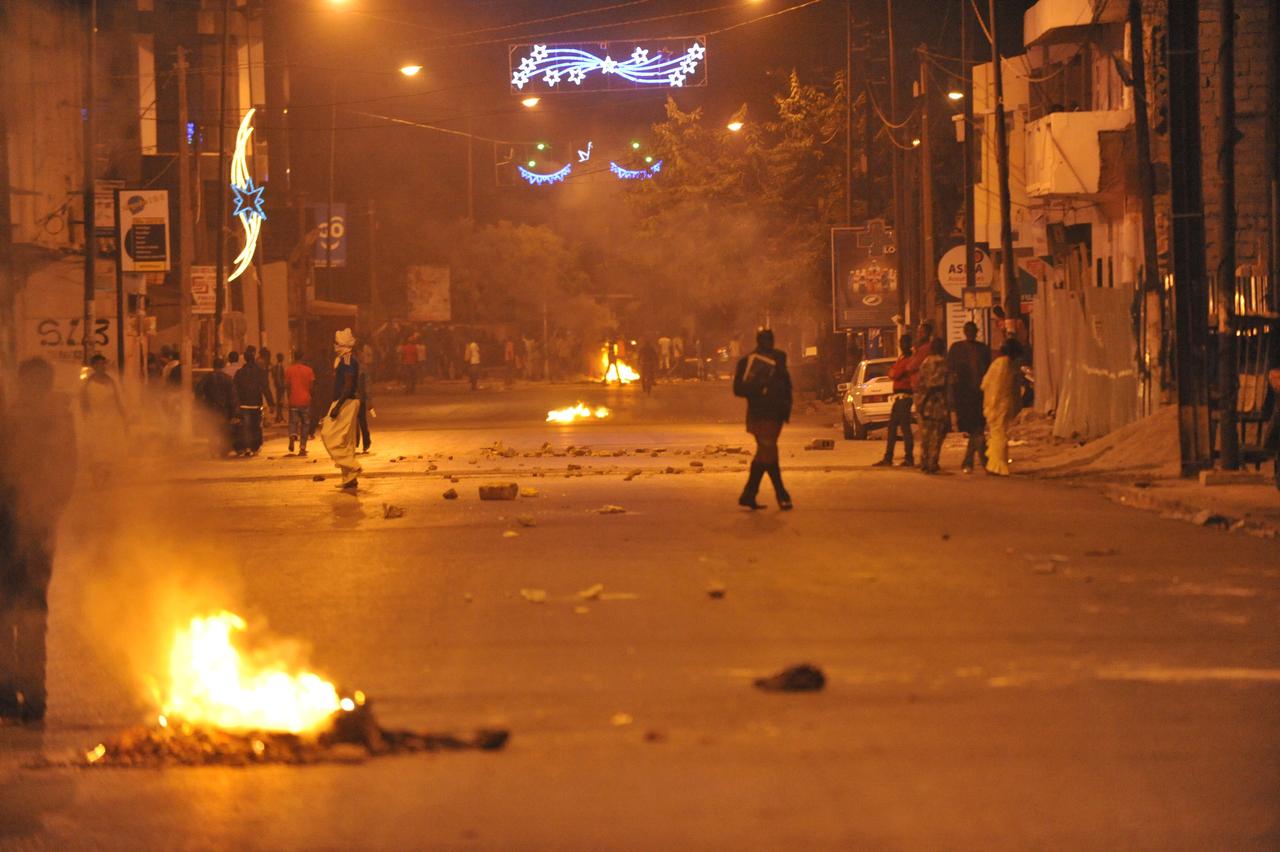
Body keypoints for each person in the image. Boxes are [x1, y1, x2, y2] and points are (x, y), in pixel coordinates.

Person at [0, 358, 77, 724]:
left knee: (10, 613)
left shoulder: (10, 418)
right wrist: (48, 514)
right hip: (36, 531)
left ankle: (9, 695)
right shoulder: (59, 421)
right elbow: (67, 474)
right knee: (31, 613)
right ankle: (32, 697)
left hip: (12, 529)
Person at [733, 329, 793, 510]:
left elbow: (786, 384)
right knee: (768, 451)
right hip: (759, 414)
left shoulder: (780, 358)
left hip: (776, 413)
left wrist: (786, 407)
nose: (768, 344)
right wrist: (759, 386)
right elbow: (738, 389)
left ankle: (749, 494)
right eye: (765, 341)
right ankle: (781, 494)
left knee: (765, 453)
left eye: (770, 341)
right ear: (759, 342)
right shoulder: (747, 362)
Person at [947, 321, 992, 473]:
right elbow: (951, 372)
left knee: (976, 429)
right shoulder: (957, 349)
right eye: (968, 330)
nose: (970, 333)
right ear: (964, 332)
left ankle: (972, 461)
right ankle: (981, 461)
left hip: (979, 394)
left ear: (976, 332)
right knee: (975, 429)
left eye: (972, 330)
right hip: (964, 395)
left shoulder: (983, 349)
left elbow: (988, 371)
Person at [321, 328, 363, 489]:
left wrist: (338, 406)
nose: (334, 346)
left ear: (343, 344)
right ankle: (349, 478)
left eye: (336, 343)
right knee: (346, 441)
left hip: (346, 402)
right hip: (345, 401)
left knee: (328, 435)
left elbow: (348, 384)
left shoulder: (347, 360)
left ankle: (352, 465)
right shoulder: (342, 359)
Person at [79, 353, 127, 484]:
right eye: (98, 364)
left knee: (109, 448)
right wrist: (86, 416)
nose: (102, 366)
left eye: (103, 364)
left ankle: (106, 475)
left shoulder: (112, 380)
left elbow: (119, 399)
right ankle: (96, 476)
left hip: (110, 419)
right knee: (95, 449)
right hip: (94, 419)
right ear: (93, 366)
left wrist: (124, 415)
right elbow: (83, 401)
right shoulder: (87, 382)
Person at [981, 338, 1024, 476]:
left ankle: (997, 465)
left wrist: (991, 405)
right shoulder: (1011, 365)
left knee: (997, 434)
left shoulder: (1000, 363)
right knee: (1000, 434)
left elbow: (993, 385)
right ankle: (998, 463)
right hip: (1005, 404)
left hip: (996, 404)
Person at [873, 334, 916, 467]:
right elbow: (892, 373)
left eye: (904, 343)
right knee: (892, 428)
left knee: (904, 428)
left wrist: (893, 371)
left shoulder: (909, 359)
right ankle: (889, 457)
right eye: (901, 343)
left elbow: (894, 374)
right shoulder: (902, 358)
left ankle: (908, 458)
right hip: (899, 398)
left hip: (904, 397)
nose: (902, 346)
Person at [915, 338, 950, 474]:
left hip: (924, 402)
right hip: (936, 403)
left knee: (925, 435)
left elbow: (920, 383)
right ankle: (932, 462)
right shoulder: (942, 363)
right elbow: (937, 385)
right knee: (937, 434)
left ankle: (924, 461)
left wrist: (921, 403)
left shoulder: (925, 362)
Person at [232, 345, 274, 456]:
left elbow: (234, 390)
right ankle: (254, 447)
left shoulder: (239, 373)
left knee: (245, 427)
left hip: (243, 405)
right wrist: (271, 404)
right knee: (255, 426)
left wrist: (235, 405)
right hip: (256, 404)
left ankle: (246, 448)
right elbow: (265, 388)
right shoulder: (260, 372)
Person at [197, 356, 239, 457]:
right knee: (223, 430)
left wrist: (201, 405)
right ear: (223, 366)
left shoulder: (207, 378)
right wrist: (234, 413)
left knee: (212, 430)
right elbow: (233, 397)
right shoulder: (228, 379)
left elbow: (198, 391)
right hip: (224, 410)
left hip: (210, 408)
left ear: (213, 366)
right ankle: (222, 450)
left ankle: (213, 450)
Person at [285, 349, 316, 457]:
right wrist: (311, 395)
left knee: (293, 421)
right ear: (303, 357)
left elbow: (288, 386)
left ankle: (292, 435)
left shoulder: (289, 370)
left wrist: (289, 396)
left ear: (294, 357)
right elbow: (311, 386)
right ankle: (302, 446)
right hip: (305, 400)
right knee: (305, 424)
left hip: (293, 400)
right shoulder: (309, 370)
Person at [356, 358, 375, 454]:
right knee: (362, 421)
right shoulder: (363, 368)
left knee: (355, 422)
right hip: (359, 398)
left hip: (353, 399)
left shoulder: (345, 367)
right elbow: (367, 385)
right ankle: (365, 443)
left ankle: (356, 443)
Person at [270, 352, 288, 424]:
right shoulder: (279, 367)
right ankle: (279, 416)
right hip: (280, 387)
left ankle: (279, 416)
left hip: (279, 386)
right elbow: (278, 377)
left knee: (280, 402)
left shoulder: (275, 366)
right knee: (280, 402)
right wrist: (281, 386)